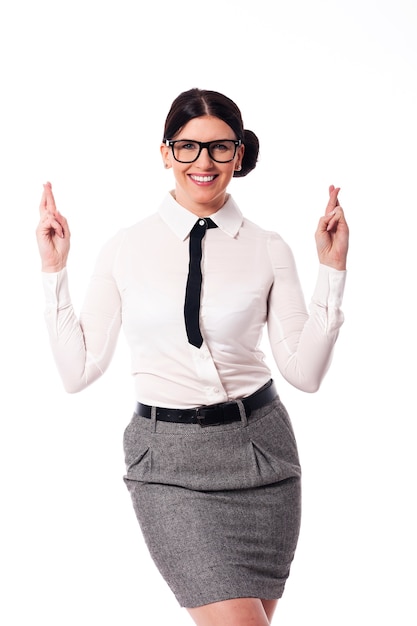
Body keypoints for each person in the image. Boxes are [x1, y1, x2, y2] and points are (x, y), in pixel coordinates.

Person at [36, 87, 349, 626]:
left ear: (240, 155)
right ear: (165, 153)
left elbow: (306, 372)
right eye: (188, 147)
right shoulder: (125, 247)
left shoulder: (267, 246)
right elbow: (77, 371)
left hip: (262, 456)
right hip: (168, 466)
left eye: (220, 148)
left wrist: (333, 272)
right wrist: (53, 273)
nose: (204, 163)